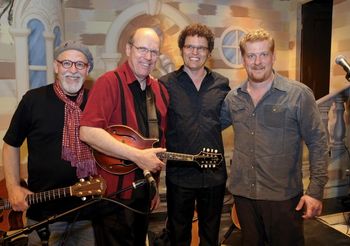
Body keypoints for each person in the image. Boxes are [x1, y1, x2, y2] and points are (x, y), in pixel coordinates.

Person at [220, 28, 329, 246]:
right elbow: (209, 128)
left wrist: (315, 191)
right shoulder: (233, 99)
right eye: (251, 55)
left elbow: (318, 142)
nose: (257, 61)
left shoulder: (298, 94)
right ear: (243, 59)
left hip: (283, 199)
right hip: (244, 196)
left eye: (263, 54)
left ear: (273, 56)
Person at [79, 27, 169, 246]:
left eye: (154, 52)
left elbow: (157, 145)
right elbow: (87, 132)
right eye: (142, 49)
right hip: (113, 197)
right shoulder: (107, 83)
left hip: (144, 194)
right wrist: (137, 156)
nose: (148, 57)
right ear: (128, 49)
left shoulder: (160, 91)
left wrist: (154, 187)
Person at [2, 40, 97, 245]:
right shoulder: (33, 100)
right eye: (66, 63)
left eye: (79, 64)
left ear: (87, 69)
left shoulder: (96, 103)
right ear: (56, 66)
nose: (73, 70)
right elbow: (11, 144)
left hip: (87, 216)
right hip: (42, 216)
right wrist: (13, 187)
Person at [159, 23, 230, 246]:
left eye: (201, 48)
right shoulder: (165, 84)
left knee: (211, 234)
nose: (195, 52)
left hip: (214, 174)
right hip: (180, 175)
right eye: (190, 46)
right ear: (181, 49)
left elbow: (226, 119)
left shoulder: (222, 84)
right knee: (178, 235)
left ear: (209, 52)